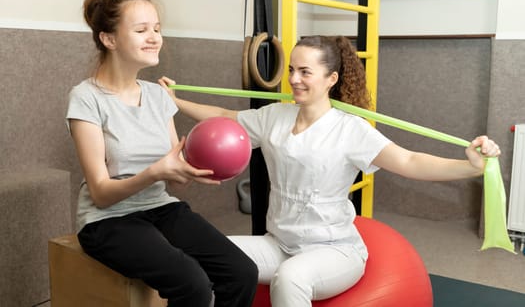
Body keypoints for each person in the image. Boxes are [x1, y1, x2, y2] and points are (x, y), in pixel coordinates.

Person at [158, 35, 501, 307]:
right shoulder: (276, 116)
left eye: (305, 72)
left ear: (330, 78)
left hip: (334, 250)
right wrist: (175, 101)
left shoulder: (351, 129)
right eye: (292, 69)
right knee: (209, 252)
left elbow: (409, 161)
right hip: (279, 243)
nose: (294, 79)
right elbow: (224, 115)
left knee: (291, 278)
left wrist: (470, 167)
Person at [66, 0, 258, 307]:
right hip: (106, 221)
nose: (154, 37)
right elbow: (100, 192)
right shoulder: (85, 98)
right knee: (193, 284)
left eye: (156, 28)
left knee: (241, 272)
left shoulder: (157, 95)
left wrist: (194, 168)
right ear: (108, 39)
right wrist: (155, 172)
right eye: (141, 30)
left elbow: (175, 167)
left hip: (158, 207)